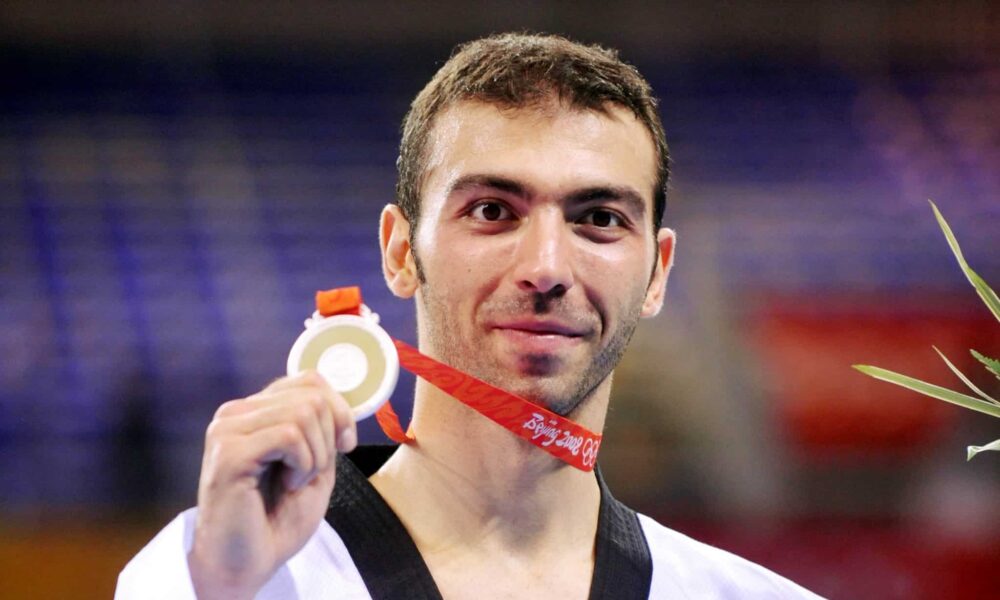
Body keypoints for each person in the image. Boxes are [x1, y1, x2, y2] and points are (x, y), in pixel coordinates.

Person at [116, 33, 822, 599]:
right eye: (492, 211)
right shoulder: (218, 571)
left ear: (657, 273)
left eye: (600, 218)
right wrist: (228, 590)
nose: (546, 266)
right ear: (400, 252)